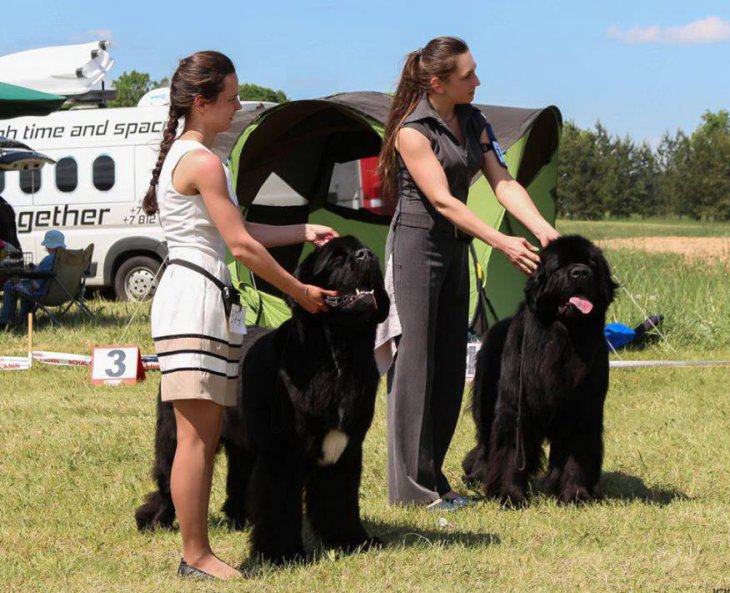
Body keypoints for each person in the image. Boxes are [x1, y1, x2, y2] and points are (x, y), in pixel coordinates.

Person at [145, 51, 337, 580]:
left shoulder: (197, 156)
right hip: (195, 301)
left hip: (200, 295)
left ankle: (198, 551)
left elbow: (239, 232)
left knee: (203, 438)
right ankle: (195, 555)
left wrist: (302, 231)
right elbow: (241, 247)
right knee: (197, 439)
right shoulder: (202, 160)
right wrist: (298, 290)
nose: (236, 108)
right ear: (201, 103)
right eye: (230, 99)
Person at [376, 37, 560, 510]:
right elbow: (441, 200)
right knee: (414, 367)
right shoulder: (412, 131)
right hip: (417, 246)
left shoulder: (475, 121)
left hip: (455, 247)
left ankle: (434, 480)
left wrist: (543, 231)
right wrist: (500, 241)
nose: (478, 82)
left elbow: (504, 181)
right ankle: (411, 492)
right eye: (468, 76)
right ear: (438, 83)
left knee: (449, 367)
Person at [0, 229, 64, 329]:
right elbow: (46, 273)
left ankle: (6, 321)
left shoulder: (49, 259)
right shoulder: (63, 258)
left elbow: (37, 285)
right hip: (62, 292)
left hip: (41, 292)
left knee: (10, 284)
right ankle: (25, 319)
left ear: (49, 246)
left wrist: (30, 274)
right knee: (23, 287)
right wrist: (36, 270)